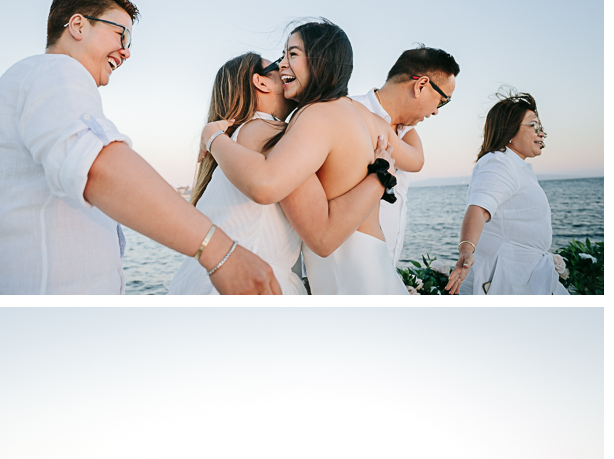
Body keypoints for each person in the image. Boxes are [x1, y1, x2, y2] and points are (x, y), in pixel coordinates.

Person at [0, 0, 279, 296]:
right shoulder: (55, 71)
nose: (126, 51)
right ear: (77, 26)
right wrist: (220, 252)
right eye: (122, 36)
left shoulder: (42, 83)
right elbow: (95, 166)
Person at [200, 20, 422, 294]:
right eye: (281, 57)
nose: (282, 65)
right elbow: (415, 160)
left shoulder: (312, 117)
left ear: (320, 60)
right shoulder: (353, 112)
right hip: (369, 264)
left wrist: (211, 137)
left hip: (347, 274)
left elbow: (318, 234)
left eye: (291, 54)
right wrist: (390, 157)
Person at [169, 51, 394, 295]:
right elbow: (325, 237)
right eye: (279, 64)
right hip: (249, 282)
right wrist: (381, 175)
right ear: (261, 82)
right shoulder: (269, 134)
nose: (287, 69)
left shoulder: (247, 134)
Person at [446, 92, 568, 295]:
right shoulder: (499, 162)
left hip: (525, 273)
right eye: (533, 125)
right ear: (510, 130)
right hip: (507, 278)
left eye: (541, 127)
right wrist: (466, 250)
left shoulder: (514, 164)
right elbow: (479, 207)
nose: (541, 133)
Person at [352, 46, 460, 266]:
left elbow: (417, 162)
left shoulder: (406, 131)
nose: (437, 111)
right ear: (421, 85)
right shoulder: (350, 113)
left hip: (385, 265)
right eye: (443, 101)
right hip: (348, 264)